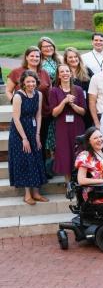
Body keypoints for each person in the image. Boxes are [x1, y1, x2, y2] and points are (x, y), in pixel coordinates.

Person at [8, 70, 48, 205]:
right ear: (23, 83)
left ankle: (36, 193)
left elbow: (38, 115)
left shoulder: (39, 94)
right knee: (25, 159)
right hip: (19, 132)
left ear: (36, 82)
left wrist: (37, 135)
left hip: (33, 129)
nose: (31, 84)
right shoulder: (18, 96)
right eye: (28, 81)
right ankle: (27, 195)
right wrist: (24, 138)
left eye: (33, 81)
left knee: (36, 158)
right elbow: (16, 118)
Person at [50, 64, 86, 182]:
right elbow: (54, 113)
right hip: (62, 128)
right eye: (62, 72)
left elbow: (83, 112)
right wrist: (64, 102)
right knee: (65, 153)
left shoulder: (78, 90)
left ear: (71, 74)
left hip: (77, 126)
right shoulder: (54, 91)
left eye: (67, 71)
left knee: (78, 152)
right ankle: (68, 184)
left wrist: (72, 104)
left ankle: (79, 182)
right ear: (59, 75)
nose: (65, 73)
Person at [63, 47, 93, 128]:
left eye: (76, 56)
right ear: (66, 59)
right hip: (70, 108)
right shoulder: (63, 71)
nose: (73, 59)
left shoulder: (87, 70)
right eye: (70, 57)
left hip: (86, 106)